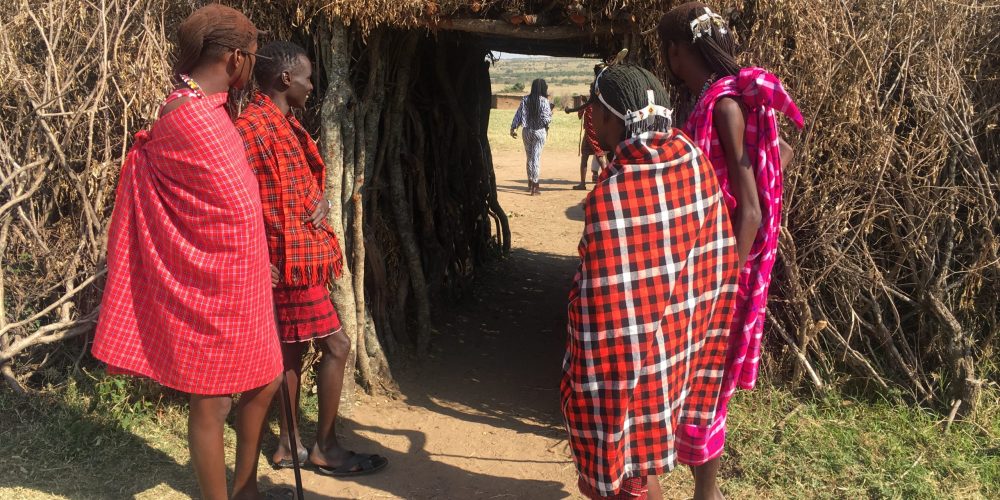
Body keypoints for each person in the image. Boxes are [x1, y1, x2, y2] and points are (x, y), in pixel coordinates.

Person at [91, 4, 287, 499]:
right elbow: (228, 208)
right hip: (214, 281)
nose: (252, 68)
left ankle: (245, 491)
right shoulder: (189, 115)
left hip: (241, 278)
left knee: (265, 380)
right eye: (252, 57)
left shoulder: (209, 107)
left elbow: (232, 201)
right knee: (213, 401)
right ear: (235, 58)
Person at [561, 64, 740, 500]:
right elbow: (718, 262)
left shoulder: (613, 193)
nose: (593, 126)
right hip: (675, 347)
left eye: (595, 115)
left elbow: (600, 302)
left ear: (613, 119)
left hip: (622, 357)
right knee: (640, 455)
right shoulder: (692, 163)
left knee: (622, 464)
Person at [658, 4, 804, 499]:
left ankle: (708, 495)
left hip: (721, 274)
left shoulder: (724, 106)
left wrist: (723, 281)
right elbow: (774, 160)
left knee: (706, 393)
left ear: (678, 52)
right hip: (706, 268)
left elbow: (751, 213)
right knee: (696, 388)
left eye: (668, 51)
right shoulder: (710, 102)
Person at [236, 41, 388, 477]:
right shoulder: (254, 128)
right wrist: (252, 252)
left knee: (291, 350)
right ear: (286, 79)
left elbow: (290, 185)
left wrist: (316, 199)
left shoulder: (280, 123)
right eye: (306, 77)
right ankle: (324, 446)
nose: (311, 84)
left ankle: (288, 445)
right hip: (286, 266)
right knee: (337, 346)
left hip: (293, 260)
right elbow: (234, 198)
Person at [564, 65, 609, 190]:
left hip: (589, 135)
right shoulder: (602, 104)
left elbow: (579, 115)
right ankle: (606, 182)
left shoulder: (590, 103)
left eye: (590, 89)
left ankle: (583, 184)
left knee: (585, 158)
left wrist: (571, 108)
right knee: (600, 158)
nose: (590, 90)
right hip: (599, 135)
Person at [510, 78, 552, 195]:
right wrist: (550, 116)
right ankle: (535, 186)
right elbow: (547, 119)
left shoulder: (525, 99)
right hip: (539, 132)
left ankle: (529, 184)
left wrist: (513, 128)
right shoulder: (544, 101)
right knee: (536, 158)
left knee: (529, 158)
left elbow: (518, 115)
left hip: (527, 131)